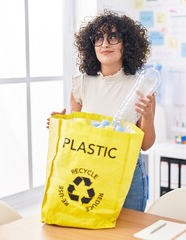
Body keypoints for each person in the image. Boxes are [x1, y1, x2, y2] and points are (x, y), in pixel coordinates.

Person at [48, 10, 155, 212]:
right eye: (98, 38)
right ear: (91, 45)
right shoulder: (80, 84)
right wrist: (61, 124)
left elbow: (146, 145)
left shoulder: (141, 86)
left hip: (127, 172)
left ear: (127, 44)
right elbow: (76, 133)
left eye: (113, 37)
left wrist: (147, 116)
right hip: (89, 171)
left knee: (129, 231)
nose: (105, 44)